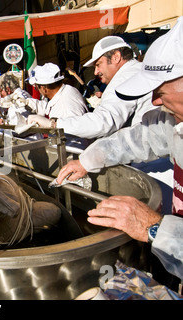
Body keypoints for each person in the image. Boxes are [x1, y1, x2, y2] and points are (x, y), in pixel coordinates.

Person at [55, 17, 183, 280]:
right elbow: (141, 138)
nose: (155, 100)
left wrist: (156, 228)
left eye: (161, 90)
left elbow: (105, 122)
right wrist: (87, 161)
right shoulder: (174, 121)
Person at [27, 36, 158, 138]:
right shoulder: (134, 72)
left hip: (148, 163)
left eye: (98, 64)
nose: (95, 72)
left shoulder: (125, 78)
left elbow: (103, 122)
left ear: (116, 57)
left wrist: (54, 124)